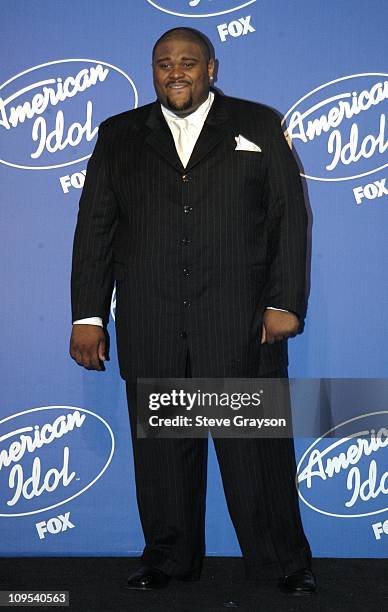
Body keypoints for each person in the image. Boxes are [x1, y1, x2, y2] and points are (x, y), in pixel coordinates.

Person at [70, 27, 316, 594]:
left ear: (212, 68)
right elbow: (95, 231)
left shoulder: (257, 125)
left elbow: (289, 218)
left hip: (241, 325)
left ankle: (283, 563)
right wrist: (88, 315)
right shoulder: (119, 136)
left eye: (188, 61)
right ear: (152, 70)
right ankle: (168, 559)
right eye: (163, 63)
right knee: (162, 462)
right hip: (152, 323)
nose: (174, 71)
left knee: (256, 459)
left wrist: (283, 303)